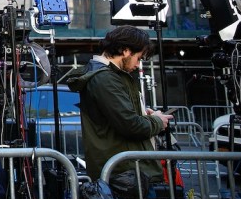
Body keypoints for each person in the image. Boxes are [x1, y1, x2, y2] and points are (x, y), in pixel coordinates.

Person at [65, 25, 173, 181]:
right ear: (126, 50)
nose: (138, 65)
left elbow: (121, 117)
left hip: (125, 170)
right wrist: (157, 121)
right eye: (139, 58)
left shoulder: (109, 76)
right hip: (125, 173)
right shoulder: (105, 78)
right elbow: (130, 125)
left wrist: (143, 114)